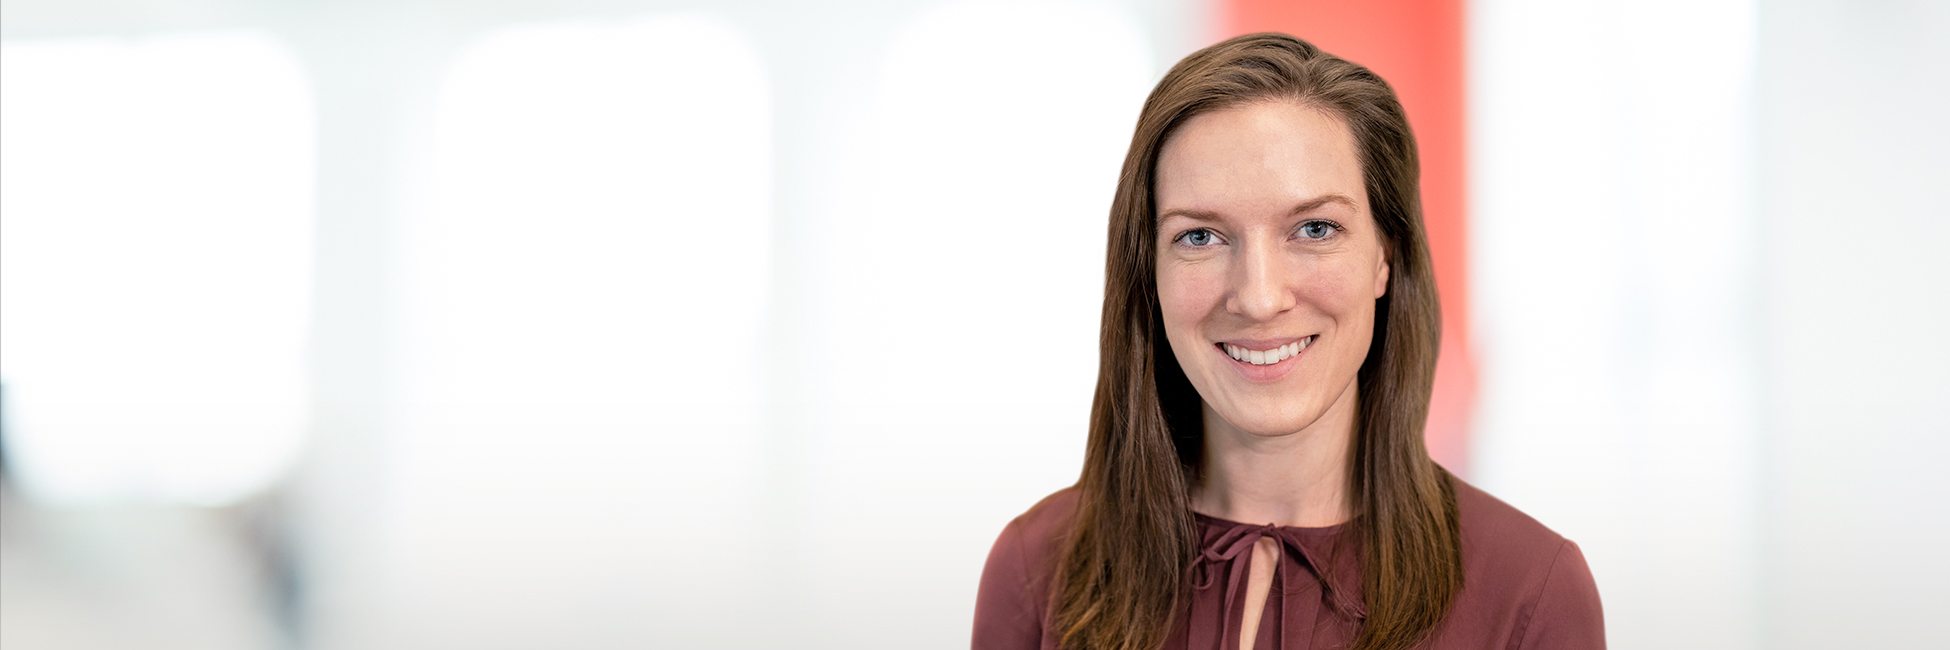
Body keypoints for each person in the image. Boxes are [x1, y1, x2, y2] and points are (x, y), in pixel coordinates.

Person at [972, 33, 1603, 650]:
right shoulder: (1036, 568)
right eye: (1200, 237)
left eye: (1315, 228)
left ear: (1384, 256)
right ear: (1148, 273)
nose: (1259, 297)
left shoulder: (1530, 593)